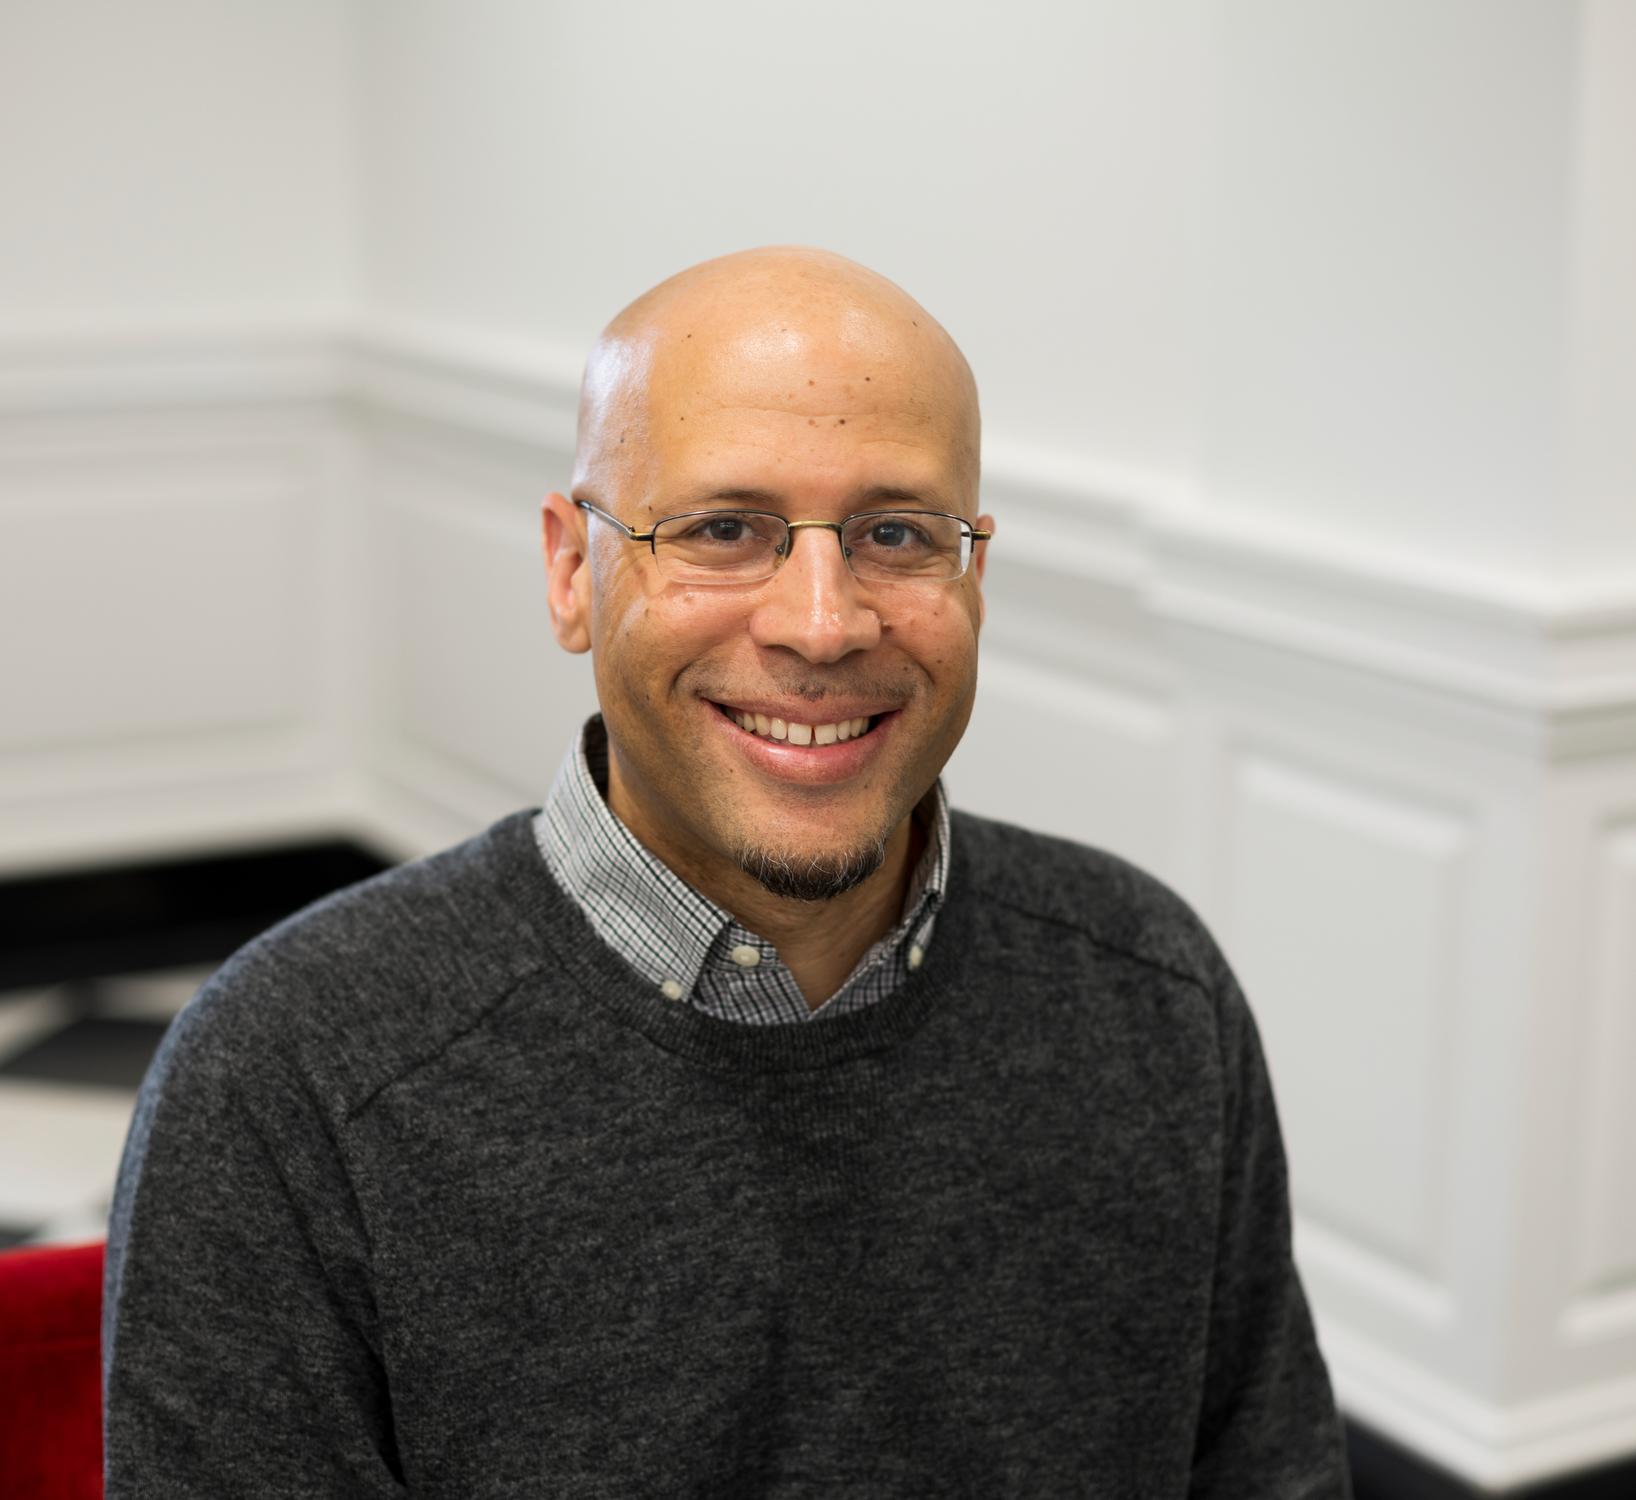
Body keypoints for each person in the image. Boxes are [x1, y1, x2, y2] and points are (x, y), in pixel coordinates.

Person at [103, 247, 1352, 1497]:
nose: (822, 621)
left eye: (896, 534)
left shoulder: (1151, 995)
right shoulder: (290, 1079)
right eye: (720, 530)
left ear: (974, 575)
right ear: (569, 571)